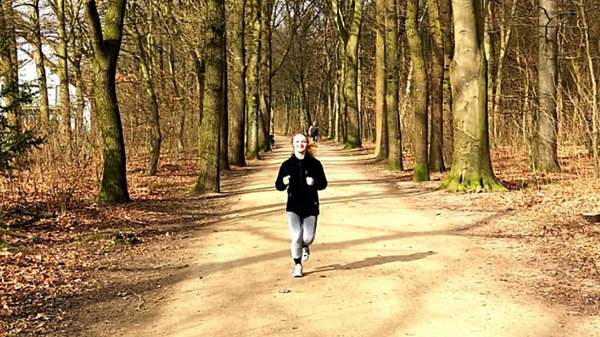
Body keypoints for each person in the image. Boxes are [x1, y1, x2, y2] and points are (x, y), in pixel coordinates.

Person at [275, 132, 328, 278]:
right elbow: (278, 185)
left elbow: (324, 184)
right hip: (293, 206)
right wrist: (283, 182)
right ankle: (297, 265)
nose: (300, 144)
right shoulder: (287, 165)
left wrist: (314, 182)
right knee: (296, 236)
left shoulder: (315, 164)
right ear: (293, 144)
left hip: (311, 205)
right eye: (297, 142)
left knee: (308, 238)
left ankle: (305, 246)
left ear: (307, 144)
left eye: (303, 142)